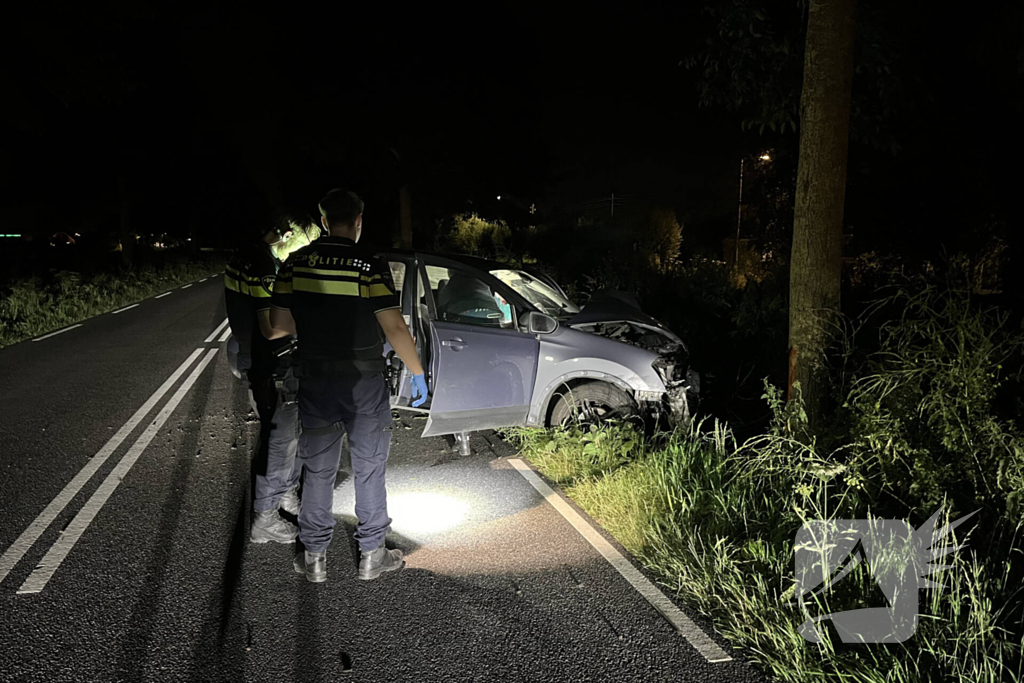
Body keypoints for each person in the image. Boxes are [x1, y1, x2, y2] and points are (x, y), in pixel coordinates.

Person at [265, 189, 429, 583]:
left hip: (316, 381)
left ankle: (315, 558)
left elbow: (277, 327)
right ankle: (372, 553)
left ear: (323, 221)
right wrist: (418, 372)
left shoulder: (294, 264)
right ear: (358, 221)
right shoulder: (368, 265)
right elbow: (394, 325)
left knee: (318, 470)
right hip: (364, 383)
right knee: (369, 468)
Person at [224, 222, 303, 544]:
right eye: (299, 236)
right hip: (270, 362)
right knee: (282, 439)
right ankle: (266, 516)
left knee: (287, 436)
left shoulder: (242, 256)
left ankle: (285, 494)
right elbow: (271, 327)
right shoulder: (261, 265)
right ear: (284, 232)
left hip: (258, 358)